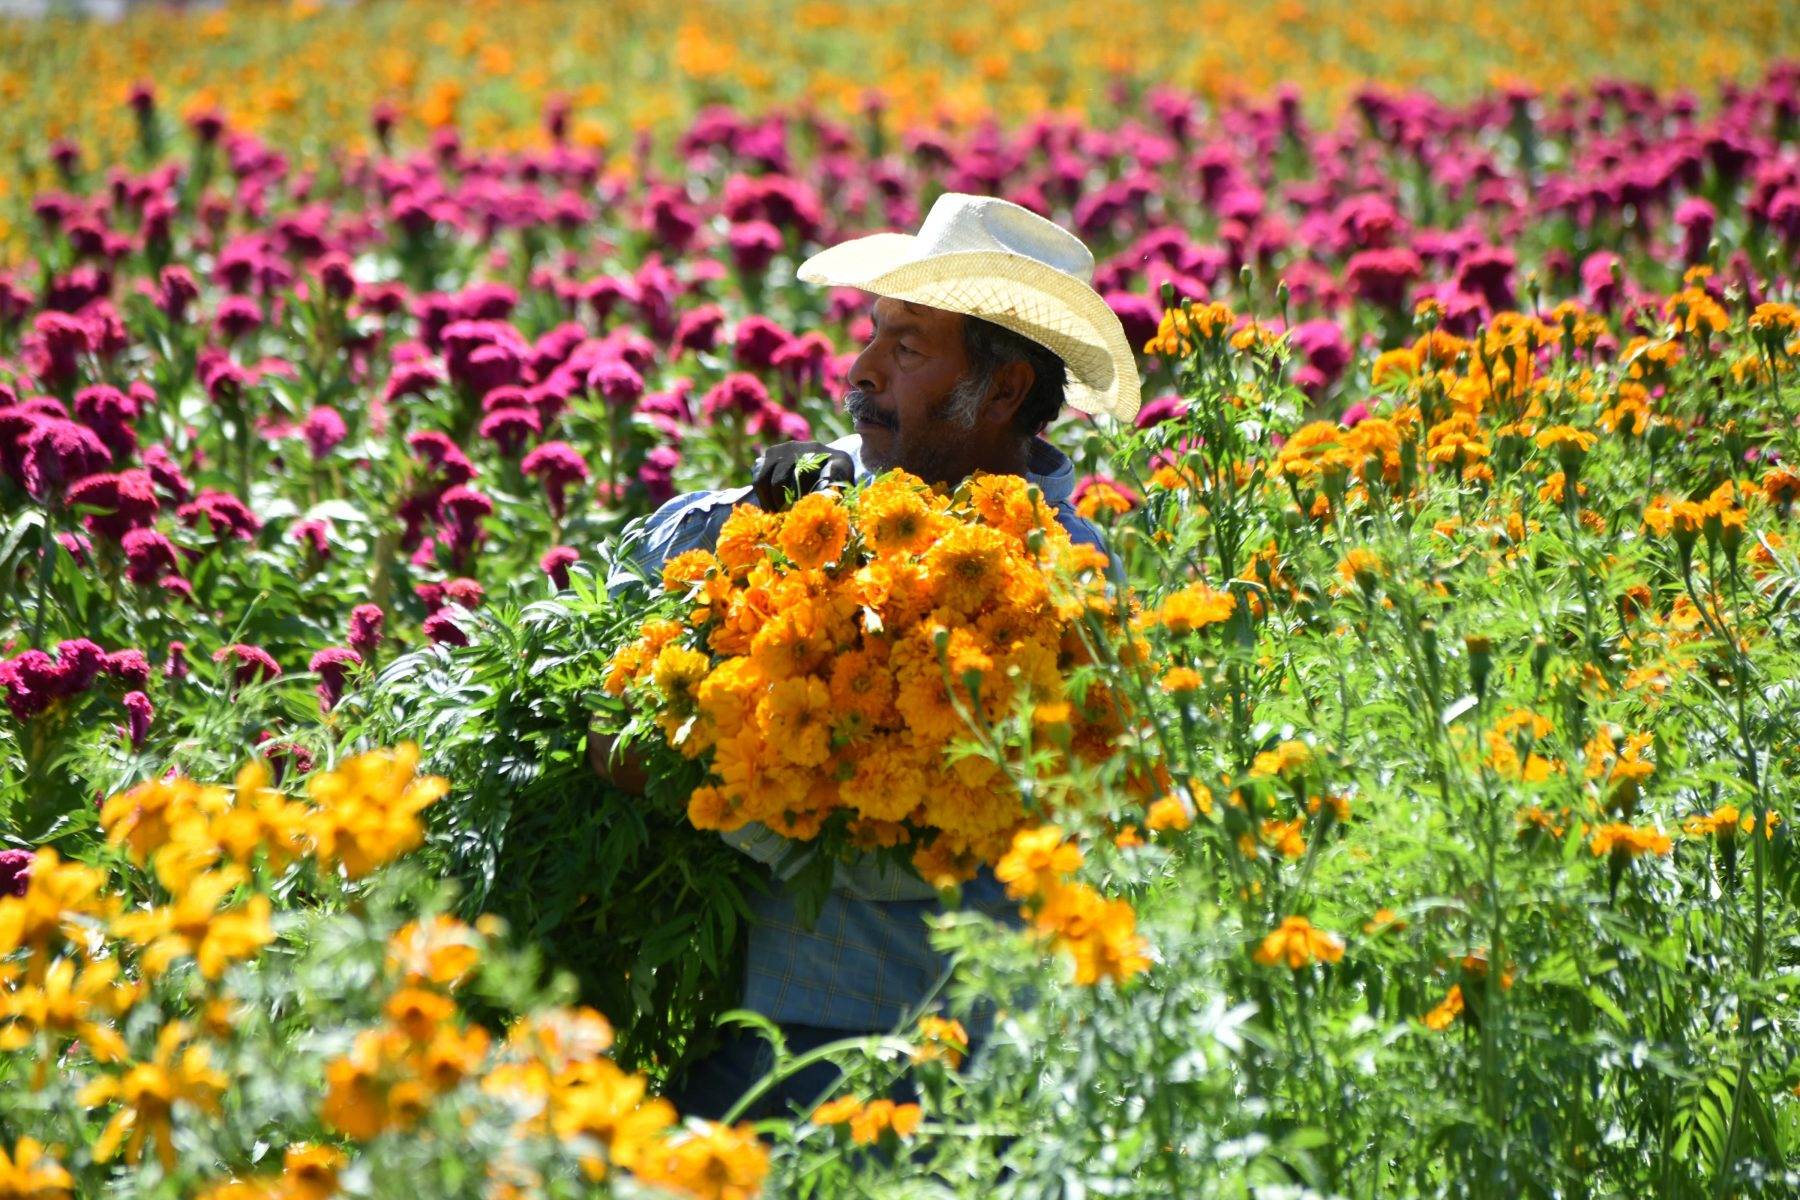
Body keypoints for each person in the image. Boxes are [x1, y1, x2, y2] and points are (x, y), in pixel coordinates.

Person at [593, 193, 1142, 1119]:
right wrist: (752, 537)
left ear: (1003, 390)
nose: (861, 370)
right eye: (877, 334)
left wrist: (705, 764)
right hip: (744, 1028)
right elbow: (614, 618)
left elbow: (903, 847)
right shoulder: (799, 504)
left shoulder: (1072, 588)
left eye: (910, 346)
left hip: (921, 1067)